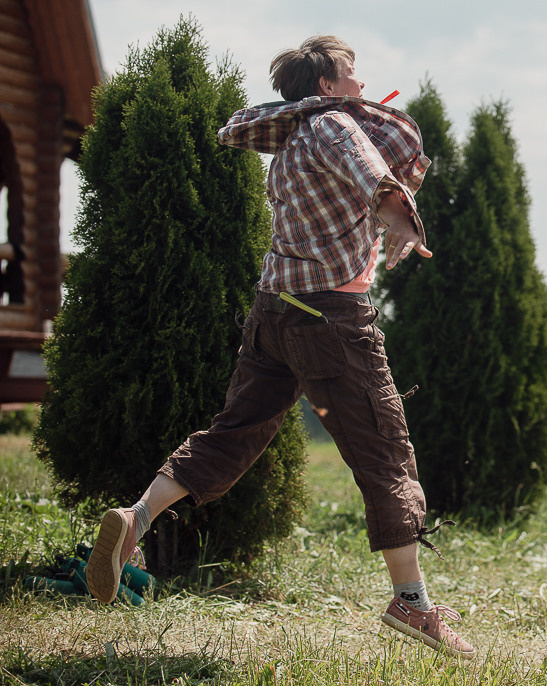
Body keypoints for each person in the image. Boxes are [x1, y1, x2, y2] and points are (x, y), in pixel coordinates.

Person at [85, 35, 475, 659]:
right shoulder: (335, 126)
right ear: (327, 86)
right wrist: (403, 220)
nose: (361, 83)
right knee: (385, 451)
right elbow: (374, 177)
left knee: (233, 432)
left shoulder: (292, 142)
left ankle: (137, 517)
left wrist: (388, 217)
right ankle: (412, 604)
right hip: (331, 320)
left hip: (274, 311)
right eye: (351, 73)